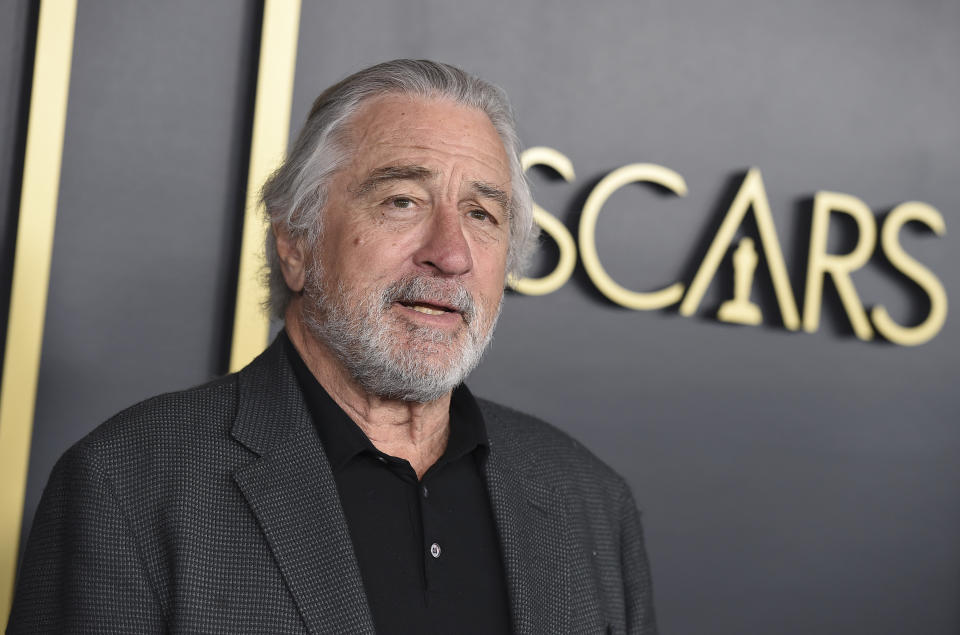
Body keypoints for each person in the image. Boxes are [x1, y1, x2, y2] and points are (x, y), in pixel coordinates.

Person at [9, 59, 657, 634]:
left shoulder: (591, 503)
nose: (451, 253)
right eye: (403, 200)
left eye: (482, 215)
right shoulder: (130, 482)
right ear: (296, 242)